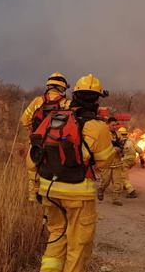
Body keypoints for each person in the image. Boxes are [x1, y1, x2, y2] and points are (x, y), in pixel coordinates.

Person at [39, 74, 114, 271]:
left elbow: (34, 158)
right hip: (78, 195)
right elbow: (105, 162)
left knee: (56, 237)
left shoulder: (53, 119)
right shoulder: (97, 127)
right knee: (78, 245)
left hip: (49, 190)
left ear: (74, 95)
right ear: (97, 100)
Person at [21, 72, 71, 202]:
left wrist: (32, 134)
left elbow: (25, 119)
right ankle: (50, 199)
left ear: (48, 86)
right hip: (56, 145)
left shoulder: (38, 101)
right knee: (53, 172)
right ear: (63, 88)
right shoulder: (66, 103)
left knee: (33, 170)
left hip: (36, 143)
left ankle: (33, 198)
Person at [97, 117, 124, 206]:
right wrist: (113, 149)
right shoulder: (103, 134)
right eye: (113, 125)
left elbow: (122, 144)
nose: (115, 127)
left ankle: (116, 199)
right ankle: (101, 190)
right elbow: (101, 147)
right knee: (105, 181)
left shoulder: (118, 134)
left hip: (117, 163)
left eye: (116, 125)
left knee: (117, 183)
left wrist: (121, 149)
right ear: (107, 124)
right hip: (107, 163)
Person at [118, 127, 145, 198]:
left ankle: (131, 191)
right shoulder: (131, 141)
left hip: (125, 161)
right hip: (132, 161)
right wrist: (142, 160)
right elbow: (140, 150)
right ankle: (124, 186)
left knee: (123, 177)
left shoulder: (119, 142)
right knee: (124, 172)